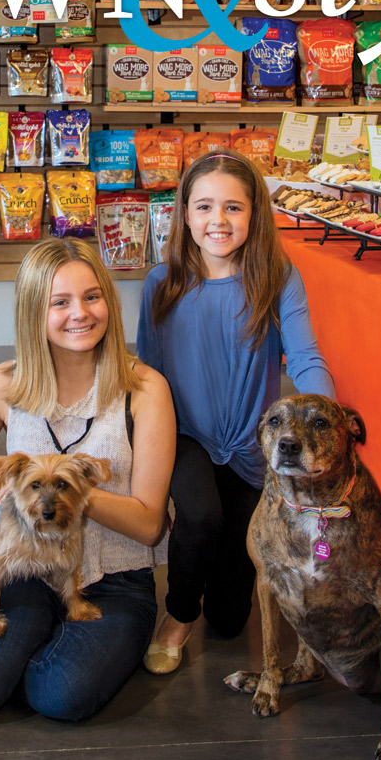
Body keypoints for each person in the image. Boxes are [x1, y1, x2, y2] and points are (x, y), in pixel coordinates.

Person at [0, 238, 176, 720]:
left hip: (117, 582)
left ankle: (28, 653)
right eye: (59, 302)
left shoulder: (144, 389)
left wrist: (69, 490)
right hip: (27, 573)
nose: (79, 313)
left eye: (91, 297)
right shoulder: (5, 385)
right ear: (33, 313)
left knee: (60, 695)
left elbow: (149, 526)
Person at [136, 151, 334, 674]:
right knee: (200, 517)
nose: (217, 221)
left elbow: (307, 357)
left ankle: (215, 605)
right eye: (203, 206)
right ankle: (177, 615)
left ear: (255, 214)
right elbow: (147, 374)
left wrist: (329, 421)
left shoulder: (277, 280)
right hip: (186, 435)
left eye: (233, 207)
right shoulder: (161, 283)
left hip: (252, 443)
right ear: (184, 214)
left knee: (228, 618)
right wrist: (144, 450)